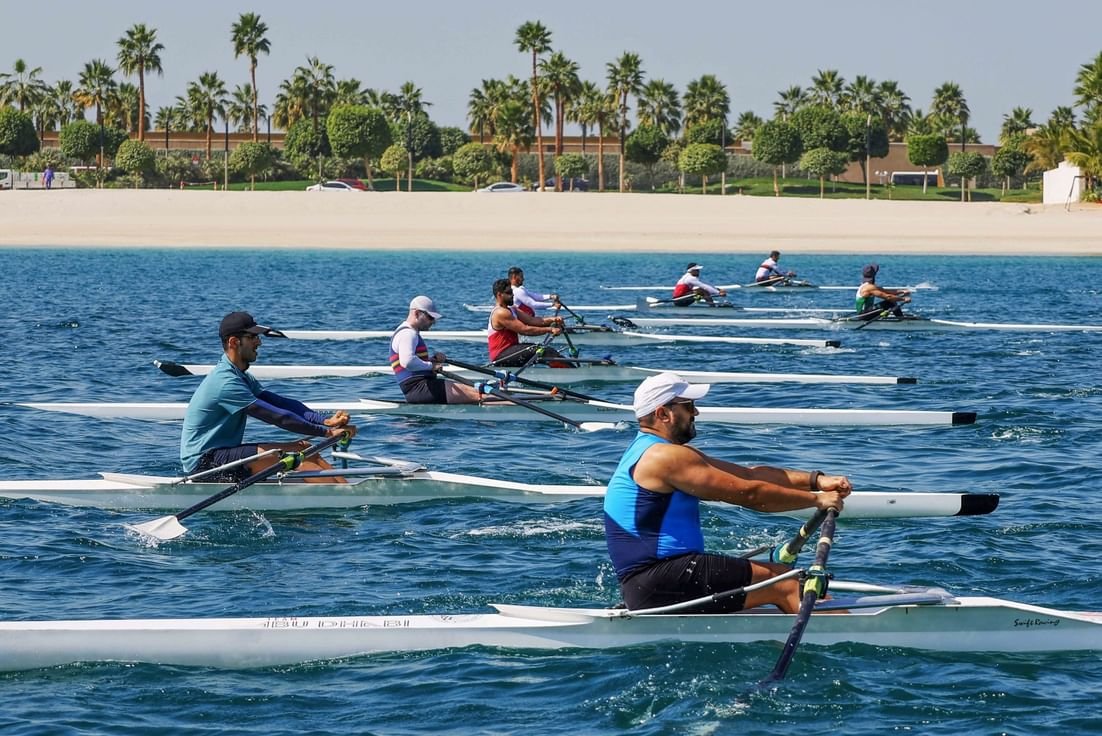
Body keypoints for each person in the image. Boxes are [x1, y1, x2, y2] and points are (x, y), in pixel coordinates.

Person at [604, 372, 851, 614]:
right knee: (786, 581)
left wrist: (816, 481)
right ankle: (845, 630)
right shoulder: (664, 457)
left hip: (654, 582)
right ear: (662, 414)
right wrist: (817, 500)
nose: (695, 413)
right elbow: (750, 494)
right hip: (659, 580)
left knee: (774, 580)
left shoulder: (653, 450)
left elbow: (749, 475)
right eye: (688, 406)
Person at [180, 311, 357, 482]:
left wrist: (325, 421)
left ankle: (348, 491)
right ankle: (345, 497)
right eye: (253, 337)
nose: (259, 342)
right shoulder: (225, 382)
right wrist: (327, 433)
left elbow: (281, 404)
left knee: (306, 450)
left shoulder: (240, 376)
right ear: (234, 342)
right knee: (298, 457)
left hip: (221, 453)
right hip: (204, 463)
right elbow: (278, 417)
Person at [390, 296, 483, 404]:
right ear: (417, 313)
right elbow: (408, 362)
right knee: (480, 394)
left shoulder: (409, 332)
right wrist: (431, 366)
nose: (433, 322)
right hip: (420, 389)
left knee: (480, 394)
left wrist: (432, 360)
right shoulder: (408, 334)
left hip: (423, 387)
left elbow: (414, 362)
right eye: (430, 317)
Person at [488, 278, 568, 366]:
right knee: (545, 351)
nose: (512, 295)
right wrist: (550, 329)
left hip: (512, 349)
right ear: (499, 295)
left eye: (512, 292)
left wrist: (553, 319)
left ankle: (567, 370)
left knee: (548, 352)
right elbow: (525, 330)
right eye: (509, 293)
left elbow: (532, 320)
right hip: (500, 355)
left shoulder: (512, 309)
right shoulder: (500, 312)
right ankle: (568, 372)